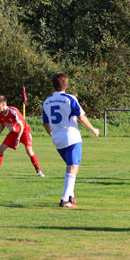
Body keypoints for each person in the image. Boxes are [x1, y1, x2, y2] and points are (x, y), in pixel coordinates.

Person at [42, 72, 99, 208]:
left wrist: (51, 132)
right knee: (73, 167)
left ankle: (70, 196)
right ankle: (65, 199)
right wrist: (93, 129)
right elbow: (81, 117)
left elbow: (45, 121)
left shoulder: (47, 101)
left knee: (71, 166)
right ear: (66, 85)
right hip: (71, 137)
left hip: (57, 139)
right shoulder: (70, 98)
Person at [0, 95, 45, 177]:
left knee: (29, 151)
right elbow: (2, 127)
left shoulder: (13, 111)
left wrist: (18, 139)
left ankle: (39, 171)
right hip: (14, 133)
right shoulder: (0, 114)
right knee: (1, 149)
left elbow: (22, 126)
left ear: (3, 104)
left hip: (24, 131)